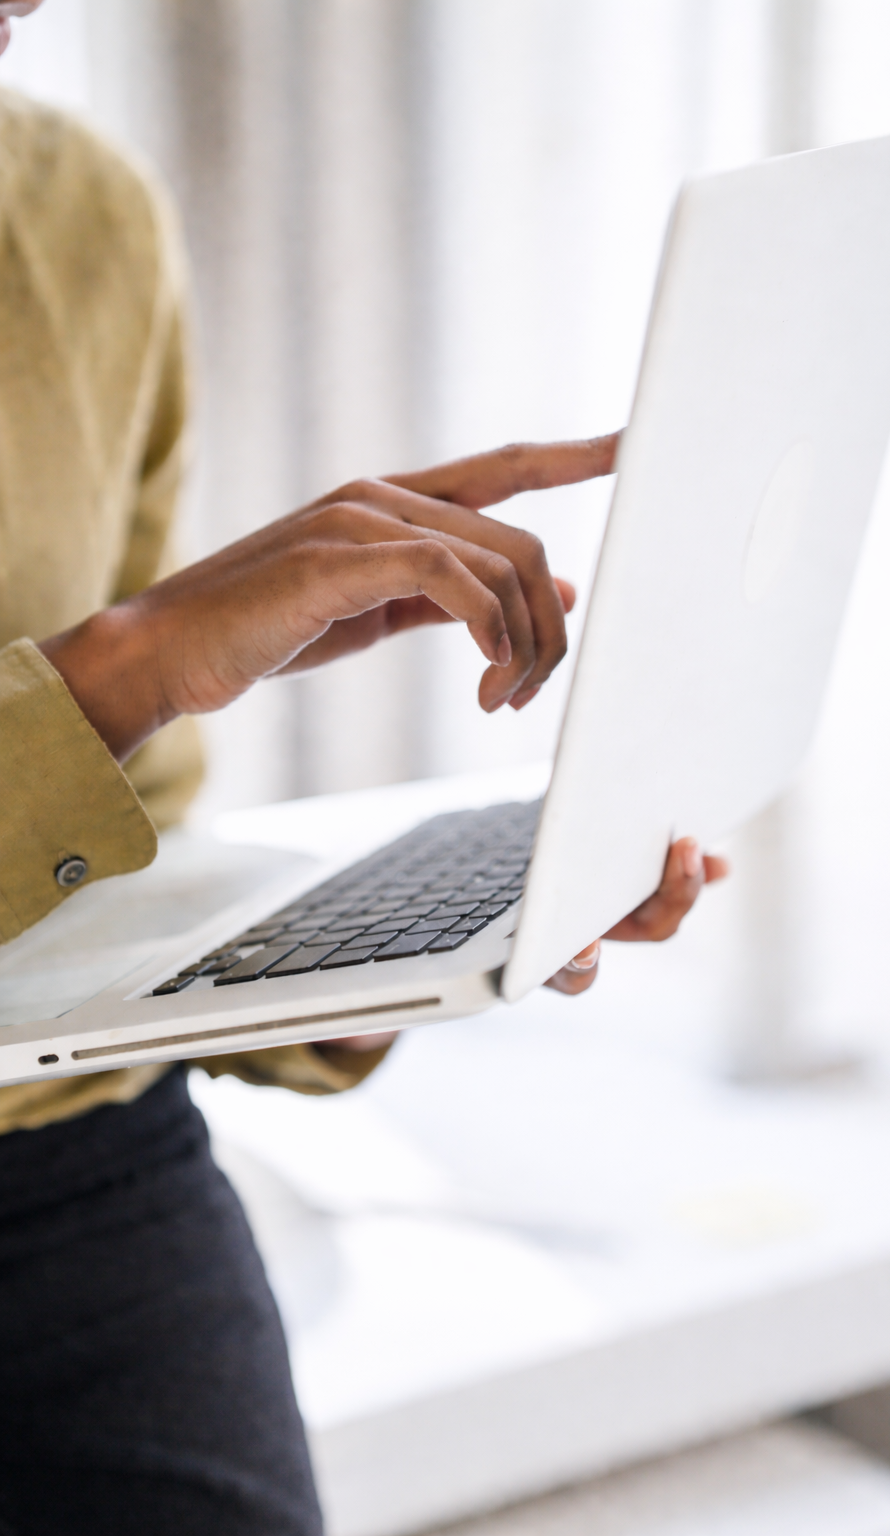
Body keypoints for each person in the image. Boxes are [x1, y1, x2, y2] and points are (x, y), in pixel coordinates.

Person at [0, 4, 727, 1531]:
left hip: (82, 1175)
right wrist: (124, 665)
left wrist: (392, 957)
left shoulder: (87, 215)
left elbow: (110, 862)